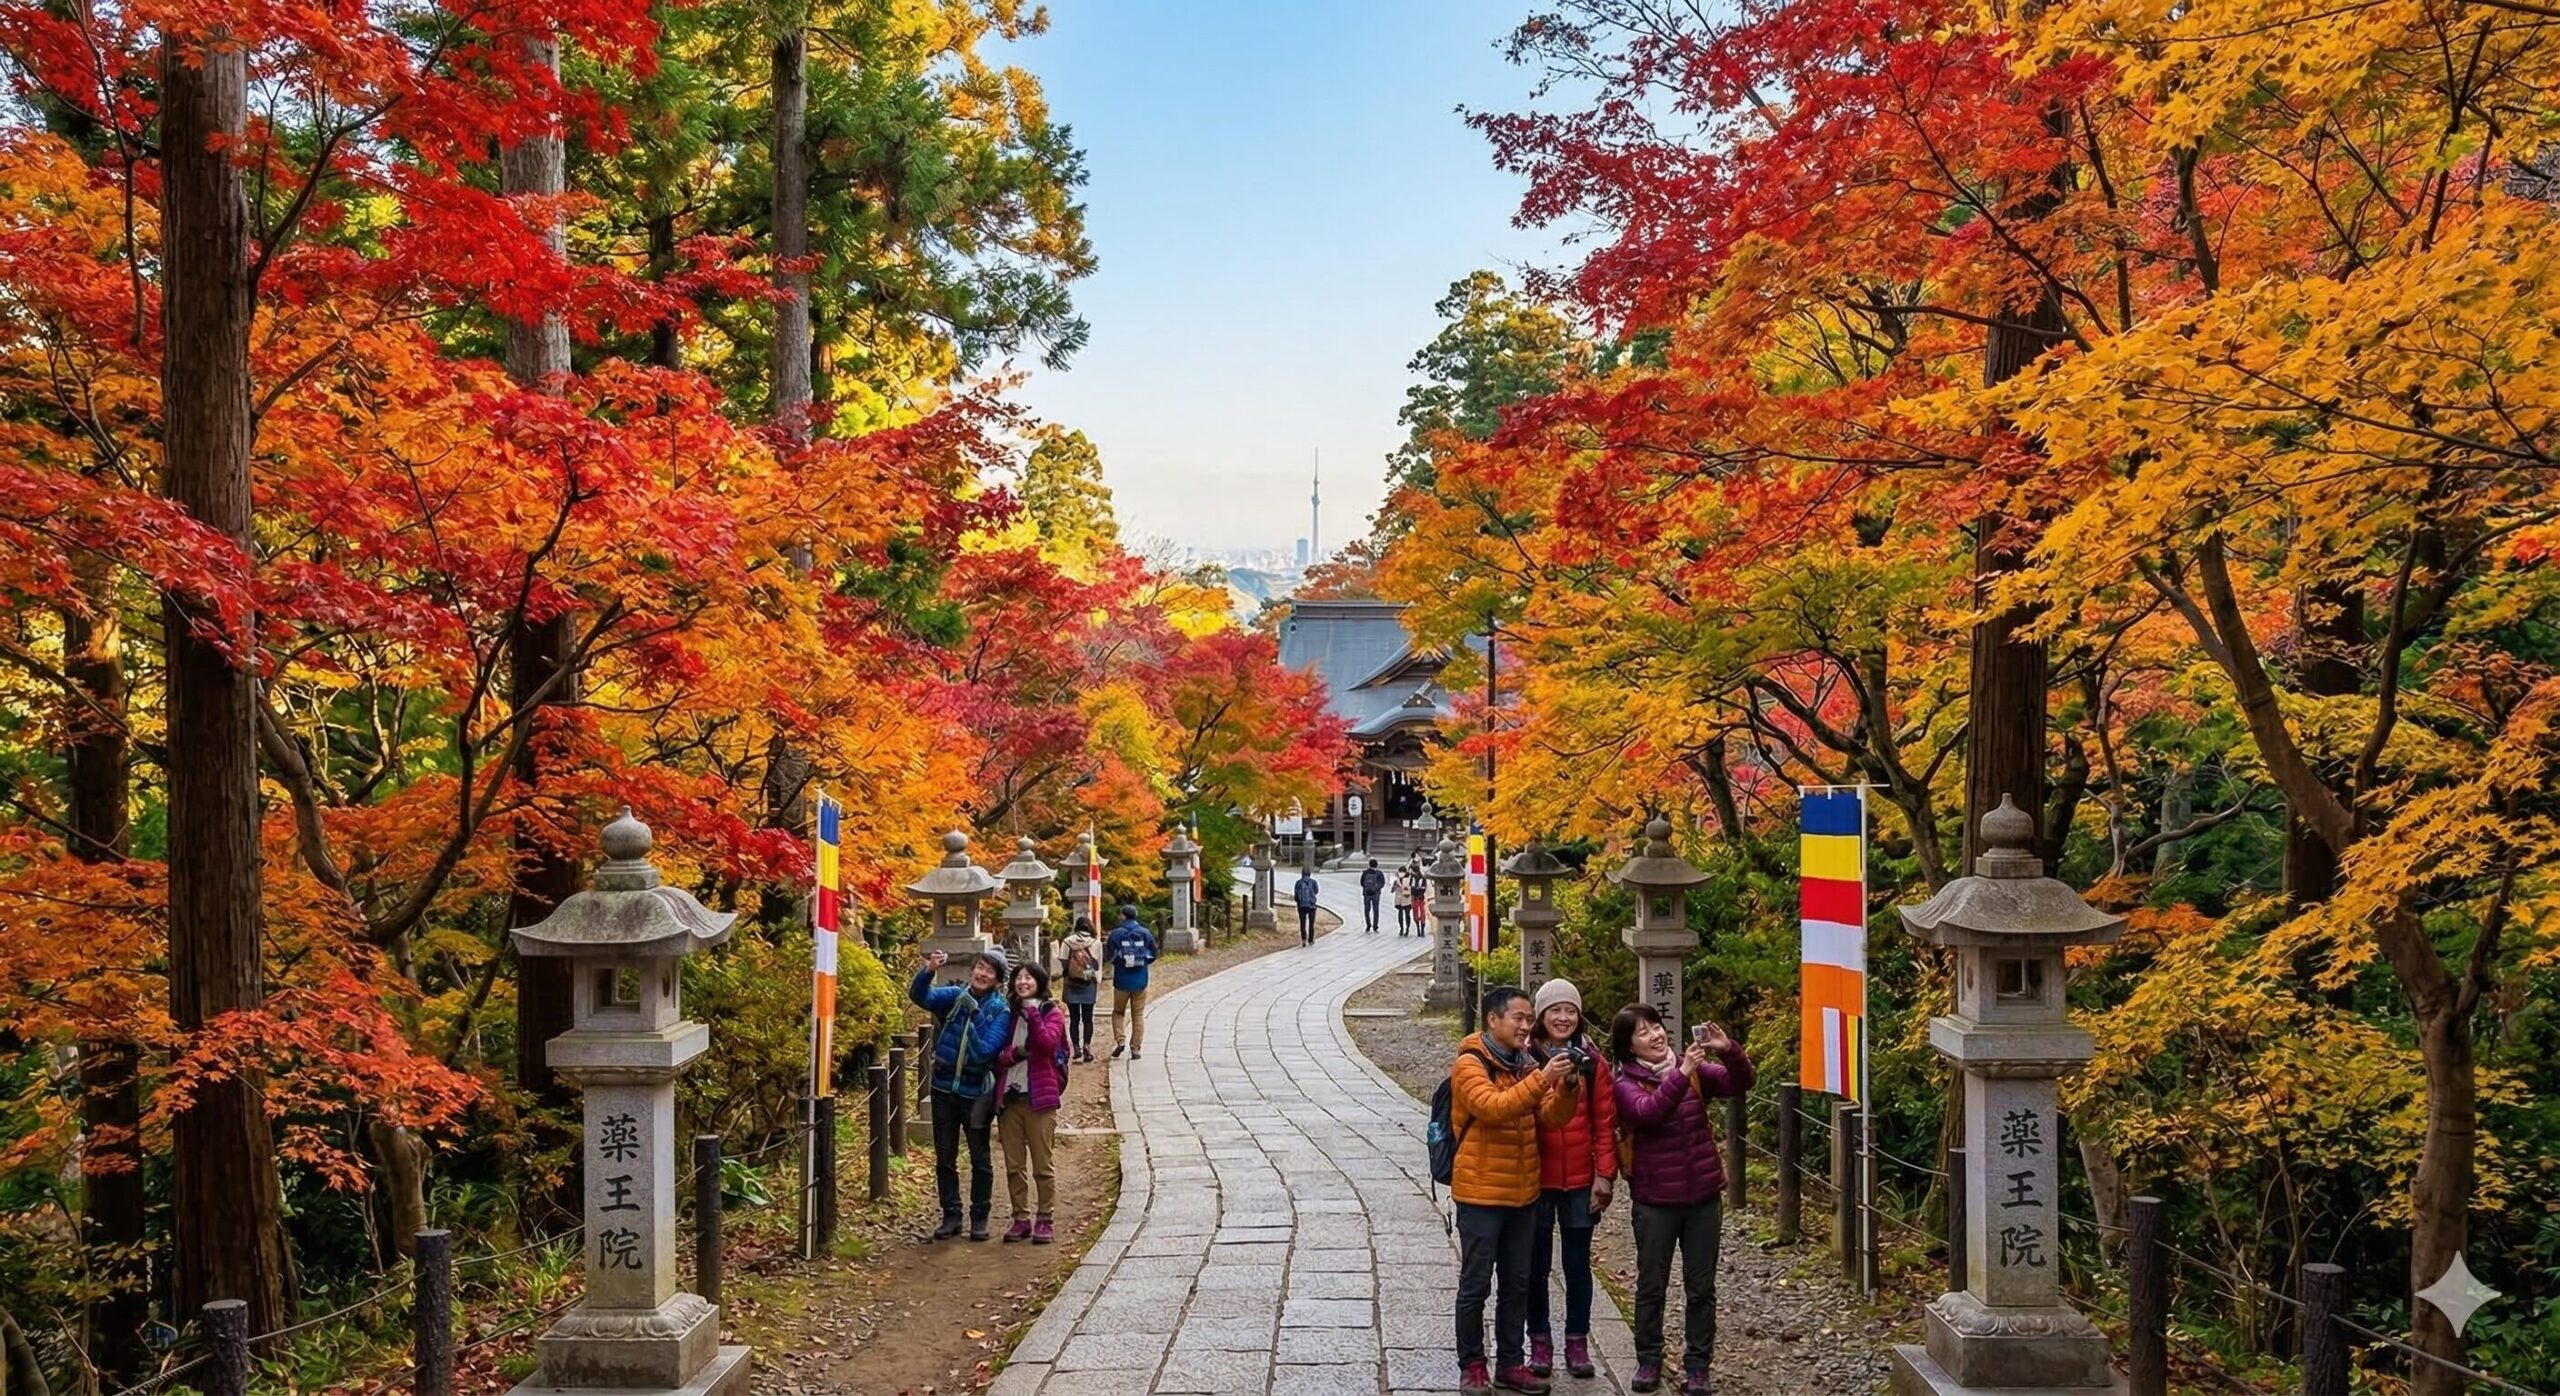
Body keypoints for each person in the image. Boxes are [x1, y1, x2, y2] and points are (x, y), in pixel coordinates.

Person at [1610, 1005, 1756, 1395]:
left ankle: (1698, 1367)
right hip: (1655, 1200)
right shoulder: (1626, 1083)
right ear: (1629, 1046)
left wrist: (1728, 1050)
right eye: (1643, 1032)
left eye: (1656, 1027)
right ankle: (1648, 1359)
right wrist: (1682, 1072)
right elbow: (1649, 1113)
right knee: (1651, 1285)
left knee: (1701, 1287)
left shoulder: (1690, 1070)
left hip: (1702, 1198)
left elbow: (1740, 1082)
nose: (1655, 1035)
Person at [1449, 985, 1578, 1396]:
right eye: (1518, 1018)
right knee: (1476, 1285)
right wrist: (1543, 1078)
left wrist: (1568, 1086)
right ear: (1493, 1020)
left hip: (1523, 1194)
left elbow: (1552, 1117)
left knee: (1517, 1284)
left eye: (1528, 1019)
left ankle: (1509, 1363)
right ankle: (1472, 1365)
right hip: (1481, 1194)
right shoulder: (1469, 1064)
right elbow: (1493, 1108)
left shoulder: (1524, 1064)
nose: (1526, 1026)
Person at [1525, 979, 1616, 1380]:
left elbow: (1604, 1123)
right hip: (1535, 1177)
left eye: (1570, 1011)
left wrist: (1605, 1175)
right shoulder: (1525, 1057)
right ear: (1541, 1015)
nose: (1563, 1018)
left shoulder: (1592, 1062)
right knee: (1535, 1266)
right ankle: (1539, 1341)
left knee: (1577, 1265)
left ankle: (1577, 1341)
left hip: (1580, 1178)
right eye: (1555, 1010)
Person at [908, 948, 1014, 1241]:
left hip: (976, 1093)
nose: (982, 974)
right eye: (980, 967)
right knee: (945, 1157)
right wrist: (929, 971)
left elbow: (984, 1052)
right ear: (972, 970)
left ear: (998, 980)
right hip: (943, 1088)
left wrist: (974, 1013)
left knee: (980, 1157)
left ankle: (979, 1217)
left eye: (990, 971)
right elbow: (921, 997)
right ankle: (951, 1215)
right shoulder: (955, 995)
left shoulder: (1000, 1011)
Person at [993, 960, 1068, 1244]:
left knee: (1042, 1165)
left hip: (1040, 1099)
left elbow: (1047, 1045)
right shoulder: (1008, 1014)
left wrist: (1033, 1013)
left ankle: (1045, 1218)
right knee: (1014, 1165)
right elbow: (998, 1054)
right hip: (1010, 1098)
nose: (1022, 982)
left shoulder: (1052, 1013)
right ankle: (1020, 1218)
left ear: (1039, 982)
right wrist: (1015, 1054)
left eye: (1028, 978)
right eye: (1018, 978)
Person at [1103, 904, 1158, 1060]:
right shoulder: (1145, 933)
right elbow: (1153, 953)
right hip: (1140, 980)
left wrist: (1119, 962)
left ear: (1123, 916)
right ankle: (1135, 1048)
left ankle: (1120, 1040)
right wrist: (1143, 962)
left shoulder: (1116, 934)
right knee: (1138, 1014)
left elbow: (1110, 955)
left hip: (1121, 980)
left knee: (1118, 1012)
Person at [1056, 915, 1103, 1062]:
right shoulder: (1095, 943)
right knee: (1088, 1018)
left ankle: (1076, 1048)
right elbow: (1097, 965)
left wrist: (1073, 970)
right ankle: (1087, 1047)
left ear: (1076, 927)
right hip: (1089, 982)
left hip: (1071, 983)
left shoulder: (1067, 942)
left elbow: (1063, 962)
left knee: (1074, 1018)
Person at [1293, 868, 1320, 945]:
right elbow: (1316, 891)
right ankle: (1311, 939)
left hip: (1301, 906)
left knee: (1302, 923)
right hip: (1312, 906)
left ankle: (1304, 939)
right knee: (1311, 923)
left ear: (1302, 874)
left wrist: (1298, 902)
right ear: (1310, 874)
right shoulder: (1313, 882)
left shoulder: (1298, 883)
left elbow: (1296, 895)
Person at [1359, 858, 1386, 933]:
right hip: (1376, 893)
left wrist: (1367, 887)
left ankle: (1368, 925)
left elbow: (1362, 883)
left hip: (1366, 893)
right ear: (1377, 865)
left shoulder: (1365, 873)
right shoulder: (1379, 873)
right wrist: (1376, 888)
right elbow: (1382, 883)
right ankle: (1375, 926)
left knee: (1367, 910)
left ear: (1369, 864)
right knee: (1376, 909)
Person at [1393, 865, 1416, 936]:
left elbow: (1413, 888)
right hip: (1399, 899)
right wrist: (1395, 886)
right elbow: (1392, 889)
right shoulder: (1397, 880)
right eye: (1400, 872)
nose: (1401, 873)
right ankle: (1401, 928)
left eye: (1402, 872)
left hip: (1407, 898)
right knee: (1400, 914)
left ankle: (1407, 928)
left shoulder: (1410, 879)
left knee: (1407, 914)